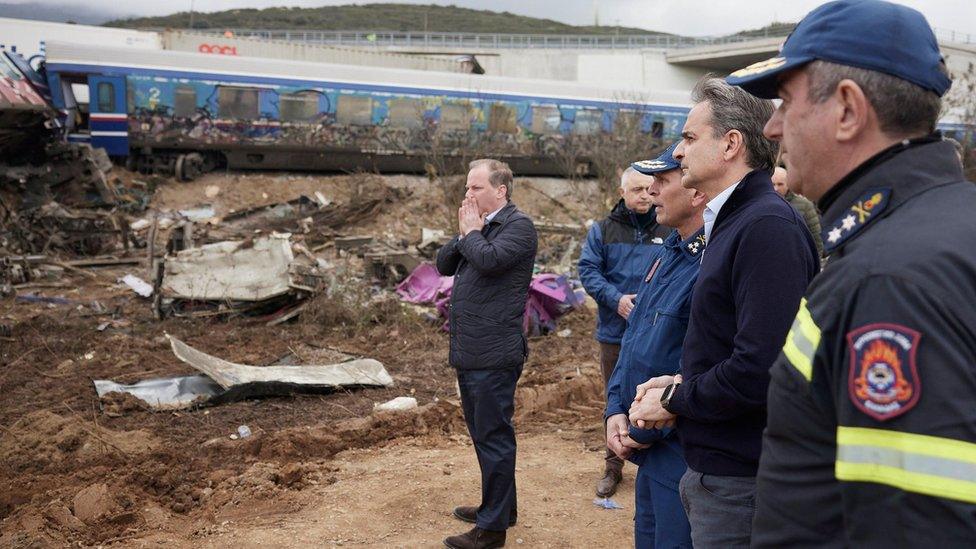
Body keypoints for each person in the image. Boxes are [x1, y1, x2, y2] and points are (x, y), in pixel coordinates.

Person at [726, 0, 976, 545]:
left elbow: (912, 529)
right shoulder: (946, 225)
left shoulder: (886, 280)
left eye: (784, 102)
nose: (771, 127)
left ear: (846, 109)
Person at [627, 76, 819, 547]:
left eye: (690, 138)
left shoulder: (765, 227)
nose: (677, 152)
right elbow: (736, 343)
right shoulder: (738, 222)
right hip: (720, 470)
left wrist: (675, 400)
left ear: (731, 144)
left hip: (741, 479)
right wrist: (680, 382)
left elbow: (763, 368)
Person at [605, 141, 704, 549]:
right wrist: (614, 408)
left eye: (662, 181)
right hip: (647, 446)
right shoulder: (670, 252)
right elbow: (634, 343)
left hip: (677, 450)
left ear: (695, 191)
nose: (652, 192)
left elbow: (690, 362)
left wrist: (641, 432)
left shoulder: (709, 262)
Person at [436, 159, 538, 549]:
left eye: (476, 188)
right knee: (483, 434)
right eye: (466, 188)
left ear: (501, 191)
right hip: (471, 350)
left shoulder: (519, 227)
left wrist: (474, 233)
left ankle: (492, 530)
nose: (468, 195)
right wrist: (465, 232)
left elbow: (491, 262)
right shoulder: (479, 228)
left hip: (494, 353)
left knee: (494, 436)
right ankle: (499, 507)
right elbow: (444, 265)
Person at [578, 166, 670, 497]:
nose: (645, 195)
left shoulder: (668, 226)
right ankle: (612, 466)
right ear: (622, 193)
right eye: (637, 190)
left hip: (657, 333)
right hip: (614, 331)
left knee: (658, 397)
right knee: (614, 399)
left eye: (649, 189)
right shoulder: (602, 230)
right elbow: (588, 271)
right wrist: (616, 300)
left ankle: (656, 465)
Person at [772, 166, 823, 256]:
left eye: (780, 184)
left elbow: (817, 239)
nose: (776, 189)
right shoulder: (763, 205)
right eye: (773, 184)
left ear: (787, 184)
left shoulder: (805, 205)